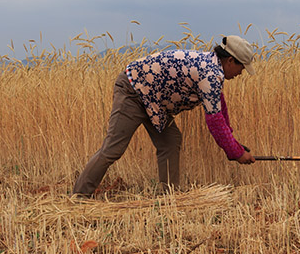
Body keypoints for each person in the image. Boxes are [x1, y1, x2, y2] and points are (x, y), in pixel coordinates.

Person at [72, 35, 256, 197]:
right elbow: (215, 122)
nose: (241, 73)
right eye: (241, 68)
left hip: (155, 104)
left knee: (170, 140)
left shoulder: (212, 67)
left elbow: (219, 109)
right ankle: (79, 196)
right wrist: (236, 153)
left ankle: (168, 197)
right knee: (114, 148)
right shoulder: (210, 74)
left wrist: (235, 146)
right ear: (230, 61)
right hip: (134, 91)